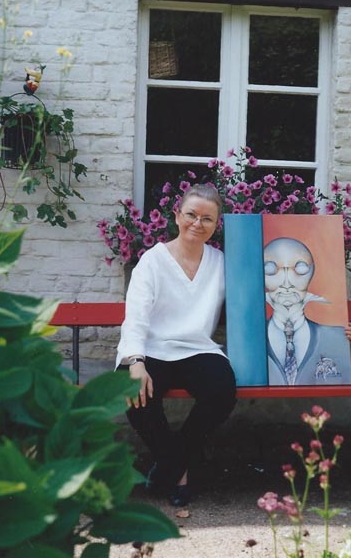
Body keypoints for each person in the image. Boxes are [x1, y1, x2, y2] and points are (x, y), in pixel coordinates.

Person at [115, 184, 236, 508]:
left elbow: (264, 301)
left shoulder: (222, 263)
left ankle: (168, 466)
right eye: (191, 215)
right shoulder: (152, 262)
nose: (198, 223)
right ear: (176, 215)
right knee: (137, 397)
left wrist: (332, 326)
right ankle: (179, 472)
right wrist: (136, 362)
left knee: (222, 390)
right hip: (151, 347)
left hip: (197, 347)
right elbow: (136, 316)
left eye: (207, 219)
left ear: (216, 224)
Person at [264, 237, 351, 385]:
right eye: (271, 269)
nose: (287, 283)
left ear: (312, 272)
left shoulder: (334, 337)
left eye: (300, 268)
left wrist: (343, 340)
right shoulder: (248, 341)